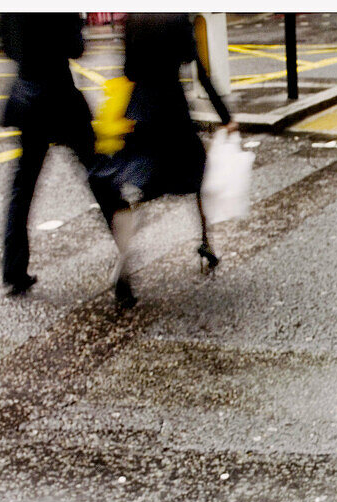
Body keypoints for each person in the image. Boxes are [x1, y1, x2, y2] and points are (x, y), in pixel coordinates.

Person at [90, 13, 239, 309]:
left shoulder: (133, 17)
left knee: (140, 187)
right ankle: (206, 242)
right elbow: (199, 70)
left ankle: (124, 258)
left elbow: (129, 70)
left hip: (140, 112)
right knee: (197, 174)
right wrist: (225, 117)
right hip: (172, 112)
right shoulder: (176, 16)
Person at [0, 12, 117, 295]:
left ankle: (13, 271)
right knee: (98, 175)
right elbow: (76, 48)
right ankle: (124, 242)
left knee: (22, 188)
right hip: (60, 100)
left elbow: (6, 45)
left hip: (28, 99)